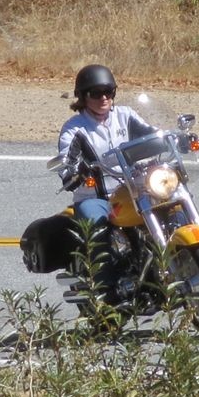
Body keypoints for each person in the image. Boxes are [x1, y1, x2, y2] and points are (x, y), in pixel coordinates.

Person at [54, 64, 155, 298]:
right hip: (97, 197)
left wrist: (176, 139)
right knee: (96, 223)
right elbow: (66, 159)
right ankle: (105, 290)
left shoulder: (125, 116)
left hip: (132, 190)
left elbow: (152, 133)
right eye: (96, 93)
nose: (103, 98)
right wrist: (73, 171)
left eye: (108, 92)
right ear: (83, 96)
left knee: (168, 202)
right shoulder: (75, 129)